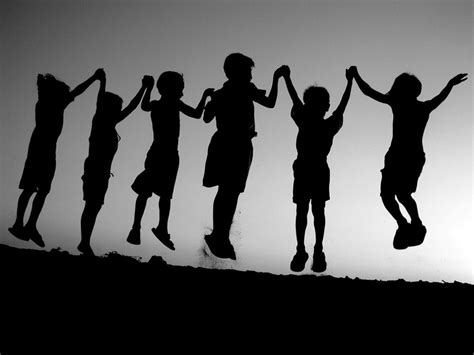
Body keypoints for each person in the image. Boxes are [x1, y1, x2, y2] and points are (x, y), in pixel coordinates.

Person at [351, 67, 468, 249]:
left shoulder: (420, 107)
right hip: (396, 156)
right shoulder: (400, 103)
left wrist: (450, 85)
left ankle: (416, 223)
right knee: (387, 196)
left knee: (402, 195)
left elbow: (369, 91)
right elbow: (368, 92)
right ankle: (403, 224)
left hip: (411, 158)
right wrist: (356, 76)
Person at [202, 53, 286, 260]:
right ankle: (219, 235)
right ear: (236, 71)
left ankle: (220, 235)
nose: (250, 74)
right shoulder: (242, 89)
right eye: (248, 70)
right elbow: (271, 102)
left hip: (228, 142)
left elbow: (206, 118)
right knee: (229, 192)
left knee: (227, 192)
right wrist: (276, 79)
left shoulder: (223, 93)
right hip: (235, 144)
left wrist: (213, 102)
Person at [8, 70, 102, 247]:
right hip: (43, 149)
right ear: (56, 93)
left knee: (35, 189)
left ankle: (26, 224)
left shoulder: (44, 102)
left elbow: (74, 92)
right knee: (37, 189)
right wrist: (94, 77)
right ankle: (25, 224)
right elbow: (77, 91)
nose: (67, 95)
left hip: (41, 148)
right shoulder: (54, 103)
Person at [126, 71, 214, 250]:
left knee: (152, 193)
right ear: (173, 89)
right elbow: (197, 114)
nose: (181, 91)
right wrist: (204, 96)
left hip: (162, 153)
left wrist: (147, 87)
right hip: (166, 154)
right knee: (162, 195)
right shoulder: (173, 103)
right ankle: (152, 227)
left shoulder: (159, 104)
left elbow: (144, 106)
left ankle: (143, 227)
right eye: (180, 87)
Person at [282, 66, 353, 272]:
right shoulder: (325, 124)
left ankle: (309, 249)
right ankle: (308, 249)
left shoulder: (311, 121)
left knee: (308, 210)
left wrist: (287, 77)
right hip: (313, 168)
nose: (328, 105)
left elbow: (295, 98)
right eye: (325, 102)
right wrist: (350, 82)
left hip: (310, 167)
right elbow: (342, 105)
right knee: (312, 210)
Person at [78, 71, 150, 256]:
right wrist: (102, 82)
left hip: (101, 172)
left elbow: (132, 107)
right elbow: (104, 101)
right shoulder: (101, 121)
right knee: (91, 206)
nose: (120, 109)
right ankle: (84, 242)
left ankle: (85, 242)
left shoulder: (109, 123)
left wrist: (143, 88)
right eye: (118, 106)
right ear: (110, 107)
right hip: (95, 169)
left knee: (94, 206)